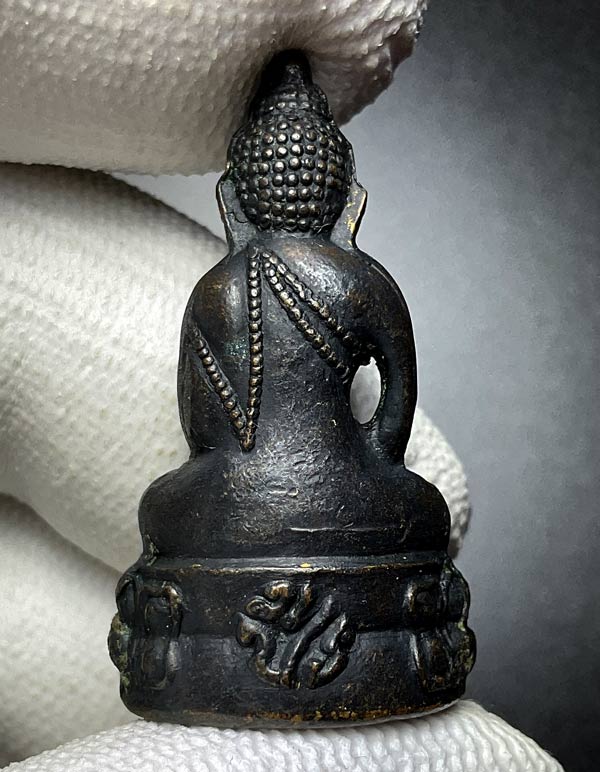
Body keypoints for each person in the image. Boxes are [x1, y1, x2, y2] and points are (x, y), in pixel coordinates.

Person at [0, 0, 561, 769]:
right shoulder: (361, 280)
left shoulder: (219, 288)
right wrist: (370, 464)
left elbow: (201, 426)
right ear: (345, 198)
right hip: (351, 495)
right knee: (419, 504)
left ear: (236, 201)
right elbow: (396, 404)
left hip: (235, 499)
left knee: (165, 506)